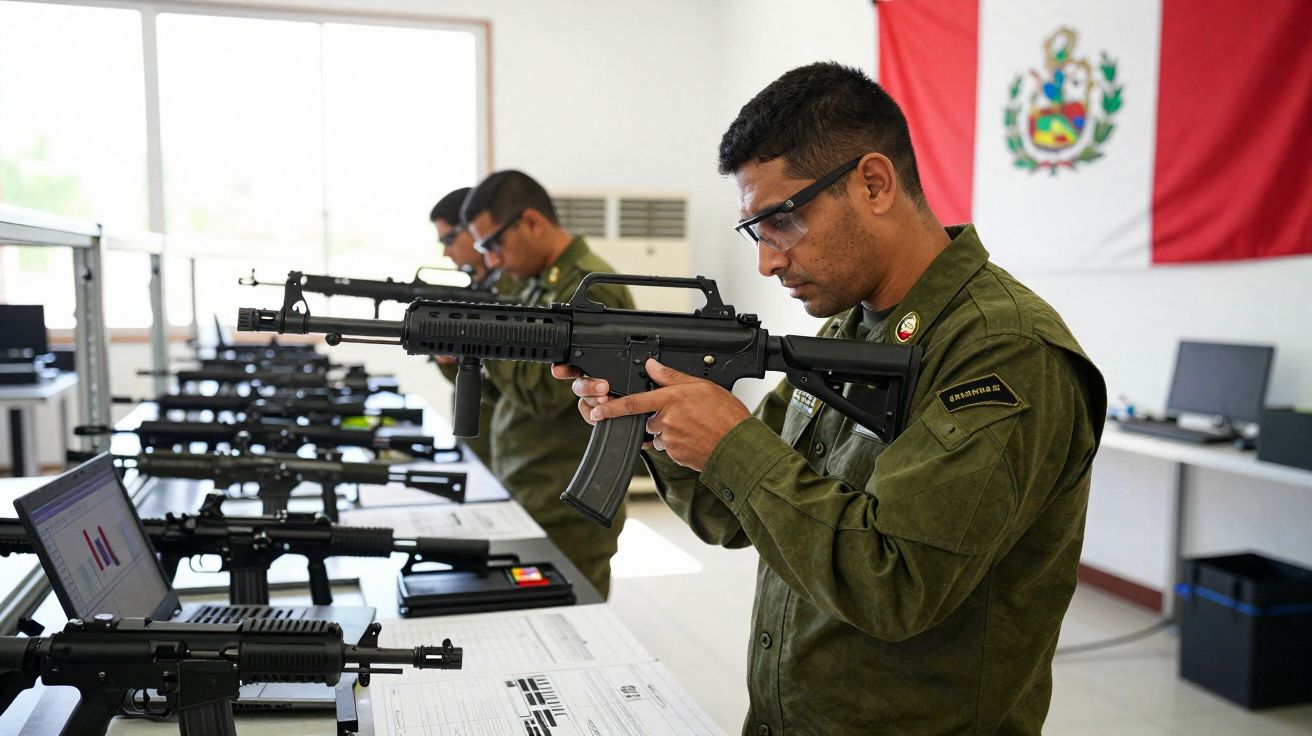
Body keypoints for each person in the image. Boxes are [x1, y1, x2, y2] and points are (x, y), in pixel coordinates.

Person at [554, 62, 1106, 734]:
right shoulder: (851, 329)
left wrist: (733, 443)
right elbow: (726, 514)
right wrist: (651, 415)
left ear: (873, 183)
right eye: (754, 231)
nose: (767, 260)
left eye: (780, 220)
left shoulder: (1005, 350)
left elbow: (895, 585)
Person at [462, 170, 634, 599]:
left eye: (494, 244)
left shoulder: (591, 290)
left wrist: (485, 341)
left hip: (567, 508)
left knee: (573, 635)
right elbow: (504, 392)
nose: (494, 261)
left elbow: (542, 393)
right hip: (531, 487)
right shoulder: (539, 285)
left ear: (532, 222)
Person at [428, 187, 518, 466]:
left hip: (522, 459)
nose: (446, 252)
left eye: (449, 239)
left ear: (474, 230)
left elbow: (527, 392)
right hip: (493, 449)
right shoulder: (485, 286)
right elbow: (486, 387)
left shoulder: (514, 289)